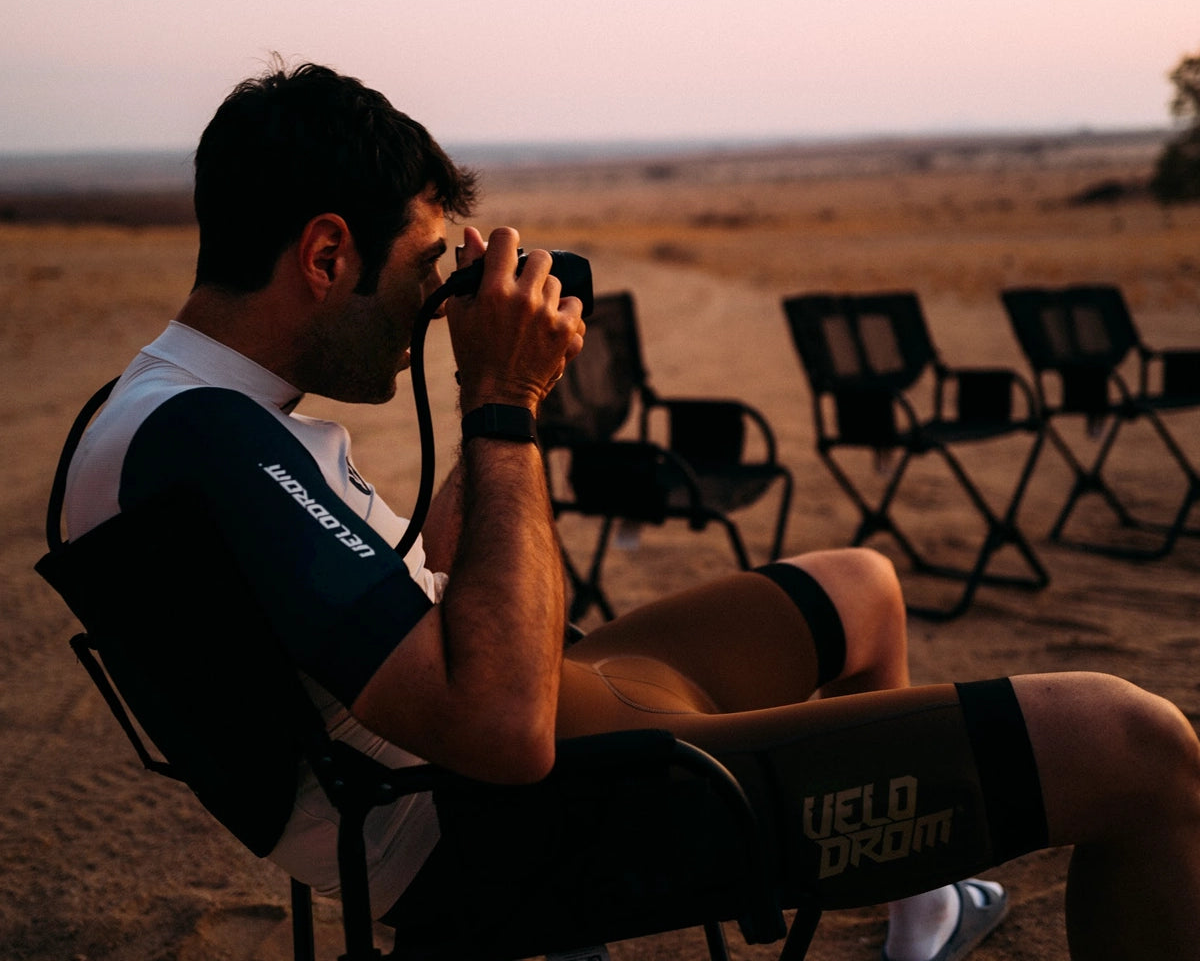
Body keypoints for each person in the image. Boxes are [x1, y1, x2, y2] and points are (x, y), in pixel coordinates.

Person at [63, 60, 1200, 961]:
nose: (429, 304)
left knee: (865, 582)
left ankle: (922, 916)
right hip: (518, 822)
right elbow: (503, 734)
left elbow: (453, 589)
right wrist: (502, 400)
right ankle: (935, 894)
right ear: (324, 253)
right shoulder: (208, 444)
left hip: (516, 735)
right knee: (1137, 743)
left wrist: (510, 399)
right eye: (423, 267)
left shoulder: (161, 413)